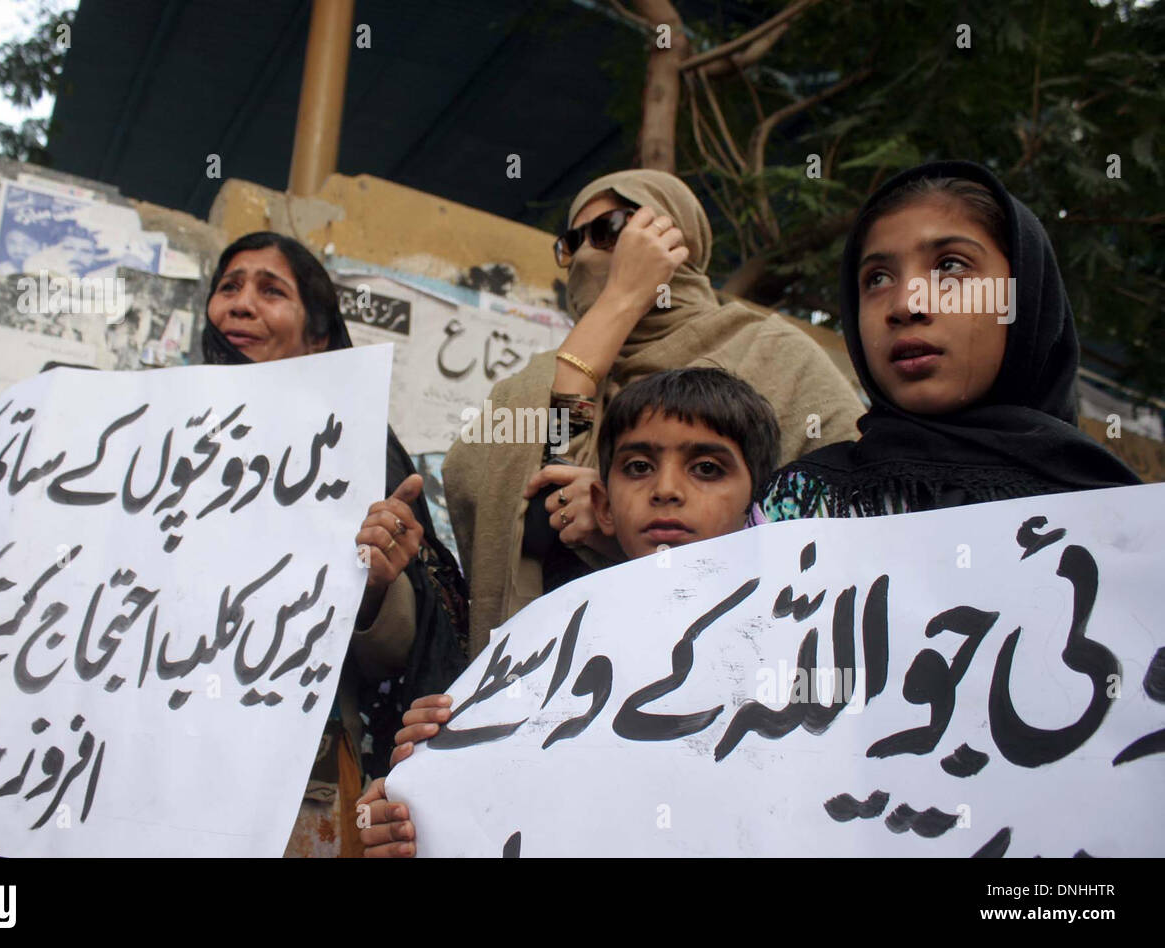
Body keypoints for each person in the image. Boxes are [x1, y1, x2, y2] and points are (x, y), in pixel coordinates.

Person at [356, 366, 782, 856]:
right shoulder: (534, 657)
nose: (666, 489)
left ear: (758, 498)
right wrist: (421, 790)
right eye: (638, 467)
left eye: (706, 468)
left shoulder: (802, 641)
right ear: (602, 505)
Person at [444, 169, 864, 660]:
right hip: (559, 673)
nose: (586, 254)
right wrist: (616, 307)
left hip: (733, 664)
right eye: (571, 243)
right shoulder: (537, 384)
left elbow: (852, 517)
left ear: (676, 241)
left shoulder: (772, 352)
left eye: (609, 231)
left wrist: (626, 522)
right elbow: (537, 480)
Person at [200, 231, 469, 857]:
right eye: (229, 287)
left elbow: (399, 654)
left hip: (305, 780)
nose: (242, 304)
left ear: (319, 336)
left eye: (271, 291)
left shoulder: (354, 446)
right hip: (166, 755)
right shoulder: (160, 442)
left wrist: (375, 588)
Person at [757, 159, 1141, 520]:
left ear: (1025, 295)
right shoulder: (799, 507)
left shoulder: (1125, 520)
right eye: (877, 278)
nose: (906, 305)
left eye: (950, 266)